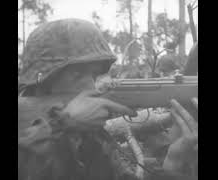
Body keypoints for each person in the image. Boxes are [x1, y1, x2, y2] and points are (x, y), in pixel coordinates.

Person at [18, 19, 138, 180]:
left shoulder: (88, 132)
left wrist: (172, 165)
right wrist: (61, 124)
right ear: (43, 82)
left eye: (94, 76)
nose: (91, 88)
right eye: (77, 75)